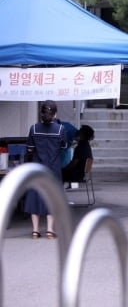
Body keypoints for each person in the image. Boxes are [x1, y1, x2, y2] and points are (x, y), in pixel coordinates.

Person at [24, 100, 67, 239]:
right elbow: (64, 147)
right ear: (55, 114)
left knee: (35, 196)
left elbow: (30, 149)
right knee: (52, 197)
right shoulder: (60, 129)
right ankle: (50, 230)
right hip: (53, 169)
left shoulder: (34, 128)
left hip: (37, 168)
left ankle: (35, 231)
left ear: (41, 113)